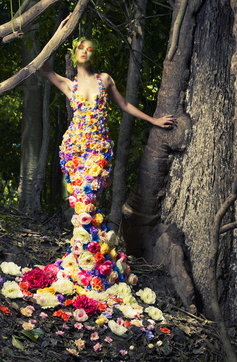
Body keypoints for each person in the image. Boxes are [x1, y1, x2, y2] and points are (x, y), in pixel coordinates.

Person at [38, 14, 176, 291]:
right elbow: (40, 65)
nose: (85, 52)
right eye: (80, 47)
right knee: (82, 209)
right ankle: (87, 265)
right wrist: (60, 32)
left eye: (90, 48)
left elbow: (124, 105)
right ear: (74, 52)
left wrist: (153, 120)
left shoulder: (104, 79)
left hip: (98, 151)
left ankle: (94, 265)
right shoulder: (68, 84)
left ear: (94, 54)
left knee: (91, 204)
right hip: (73, 151)